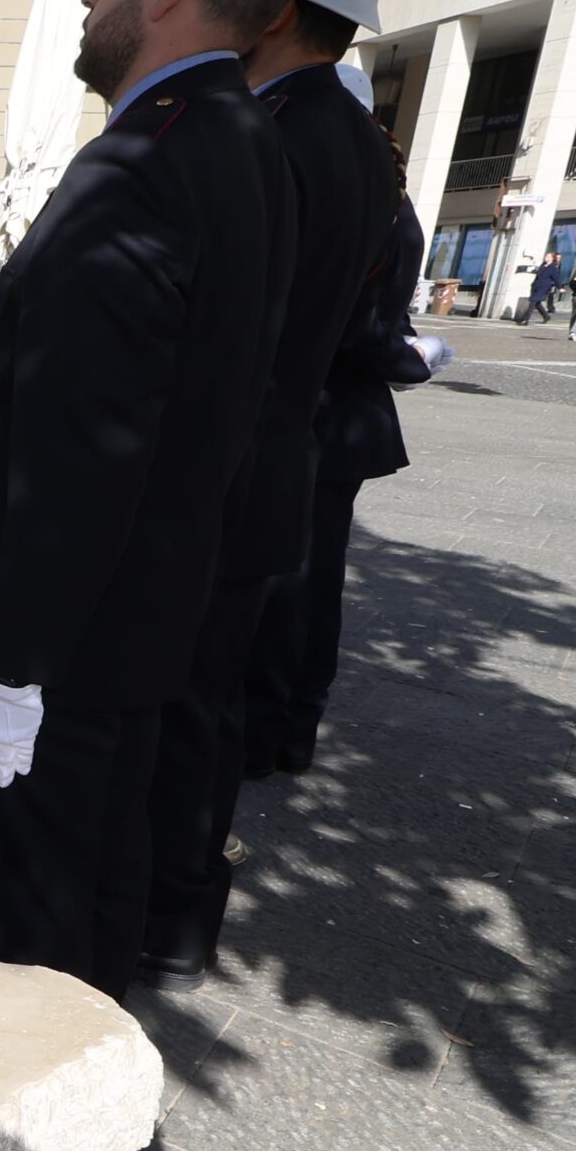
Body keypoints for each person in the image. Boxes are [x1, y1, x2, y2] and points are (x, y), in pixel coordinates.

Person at [0, 0, 358, 1005]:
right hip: (141, 621)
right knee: (92, 898)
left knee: (25, 937)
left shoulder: (144, 164)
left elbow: (84, 449)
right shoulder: (243, 139)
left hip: (67, 644)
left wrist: (13, 665)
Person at [139, 0, 404, 981]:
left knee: (186, 701)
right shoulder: (349, 136)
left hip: (231, 463)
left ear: (282, 10)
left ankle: (165, 907)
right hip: (278, 453)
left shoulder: (275, 137)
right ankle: (181, 906)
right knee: (211, 697)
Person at [243, 202, 434, 778]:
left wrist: (407, 357)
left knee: (286, 583)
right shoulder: (385, 203)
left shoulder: (362, 201)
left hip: (307, 417)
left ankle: (269, 729)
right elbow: (377, 328)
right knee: (307, 583)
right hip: (332, 419)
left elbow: (361, 326)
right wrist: (415, 358)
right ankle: (287, 730)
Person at [523, 251, 564, 326]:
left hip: (543, 286)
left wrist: (560, 287)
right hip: (536, 285)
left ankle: (525, 319)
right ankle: (546, 316)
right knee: (537, 303)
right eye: (546, 256)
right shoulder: (543, 265)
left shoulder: (553, 267)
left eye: (548, 257)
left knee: (533, 301)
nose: (546, 258)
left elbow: (557, 278)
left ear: (552, 258)